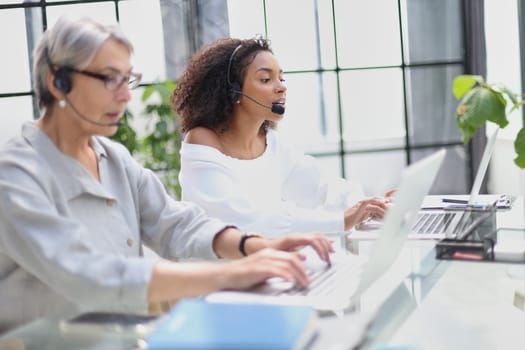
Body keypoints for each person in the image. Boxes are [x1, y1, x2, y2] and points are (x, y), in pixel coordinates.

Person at [0, 17, 334, 333]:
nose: (126, 94)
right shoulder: (15, 176)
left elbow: (175, 222)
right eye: (109, 78)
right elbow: (85, 274)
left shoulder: (113, 158)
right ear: (57, 82)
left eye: (128, 79)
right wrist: (230, 274)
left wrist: (256, 246)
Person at [172, 37, 393, 238]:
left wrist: (372, 204)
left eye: (282, 78)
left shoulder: (270, 142)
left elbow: (320, 187)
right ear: (234, 91)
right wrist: (340, 220)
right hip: (219, 277)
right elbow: (244, 220)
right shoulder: (202, 141)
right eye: (266, 79)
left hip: (265, 269)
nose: (282, 88)